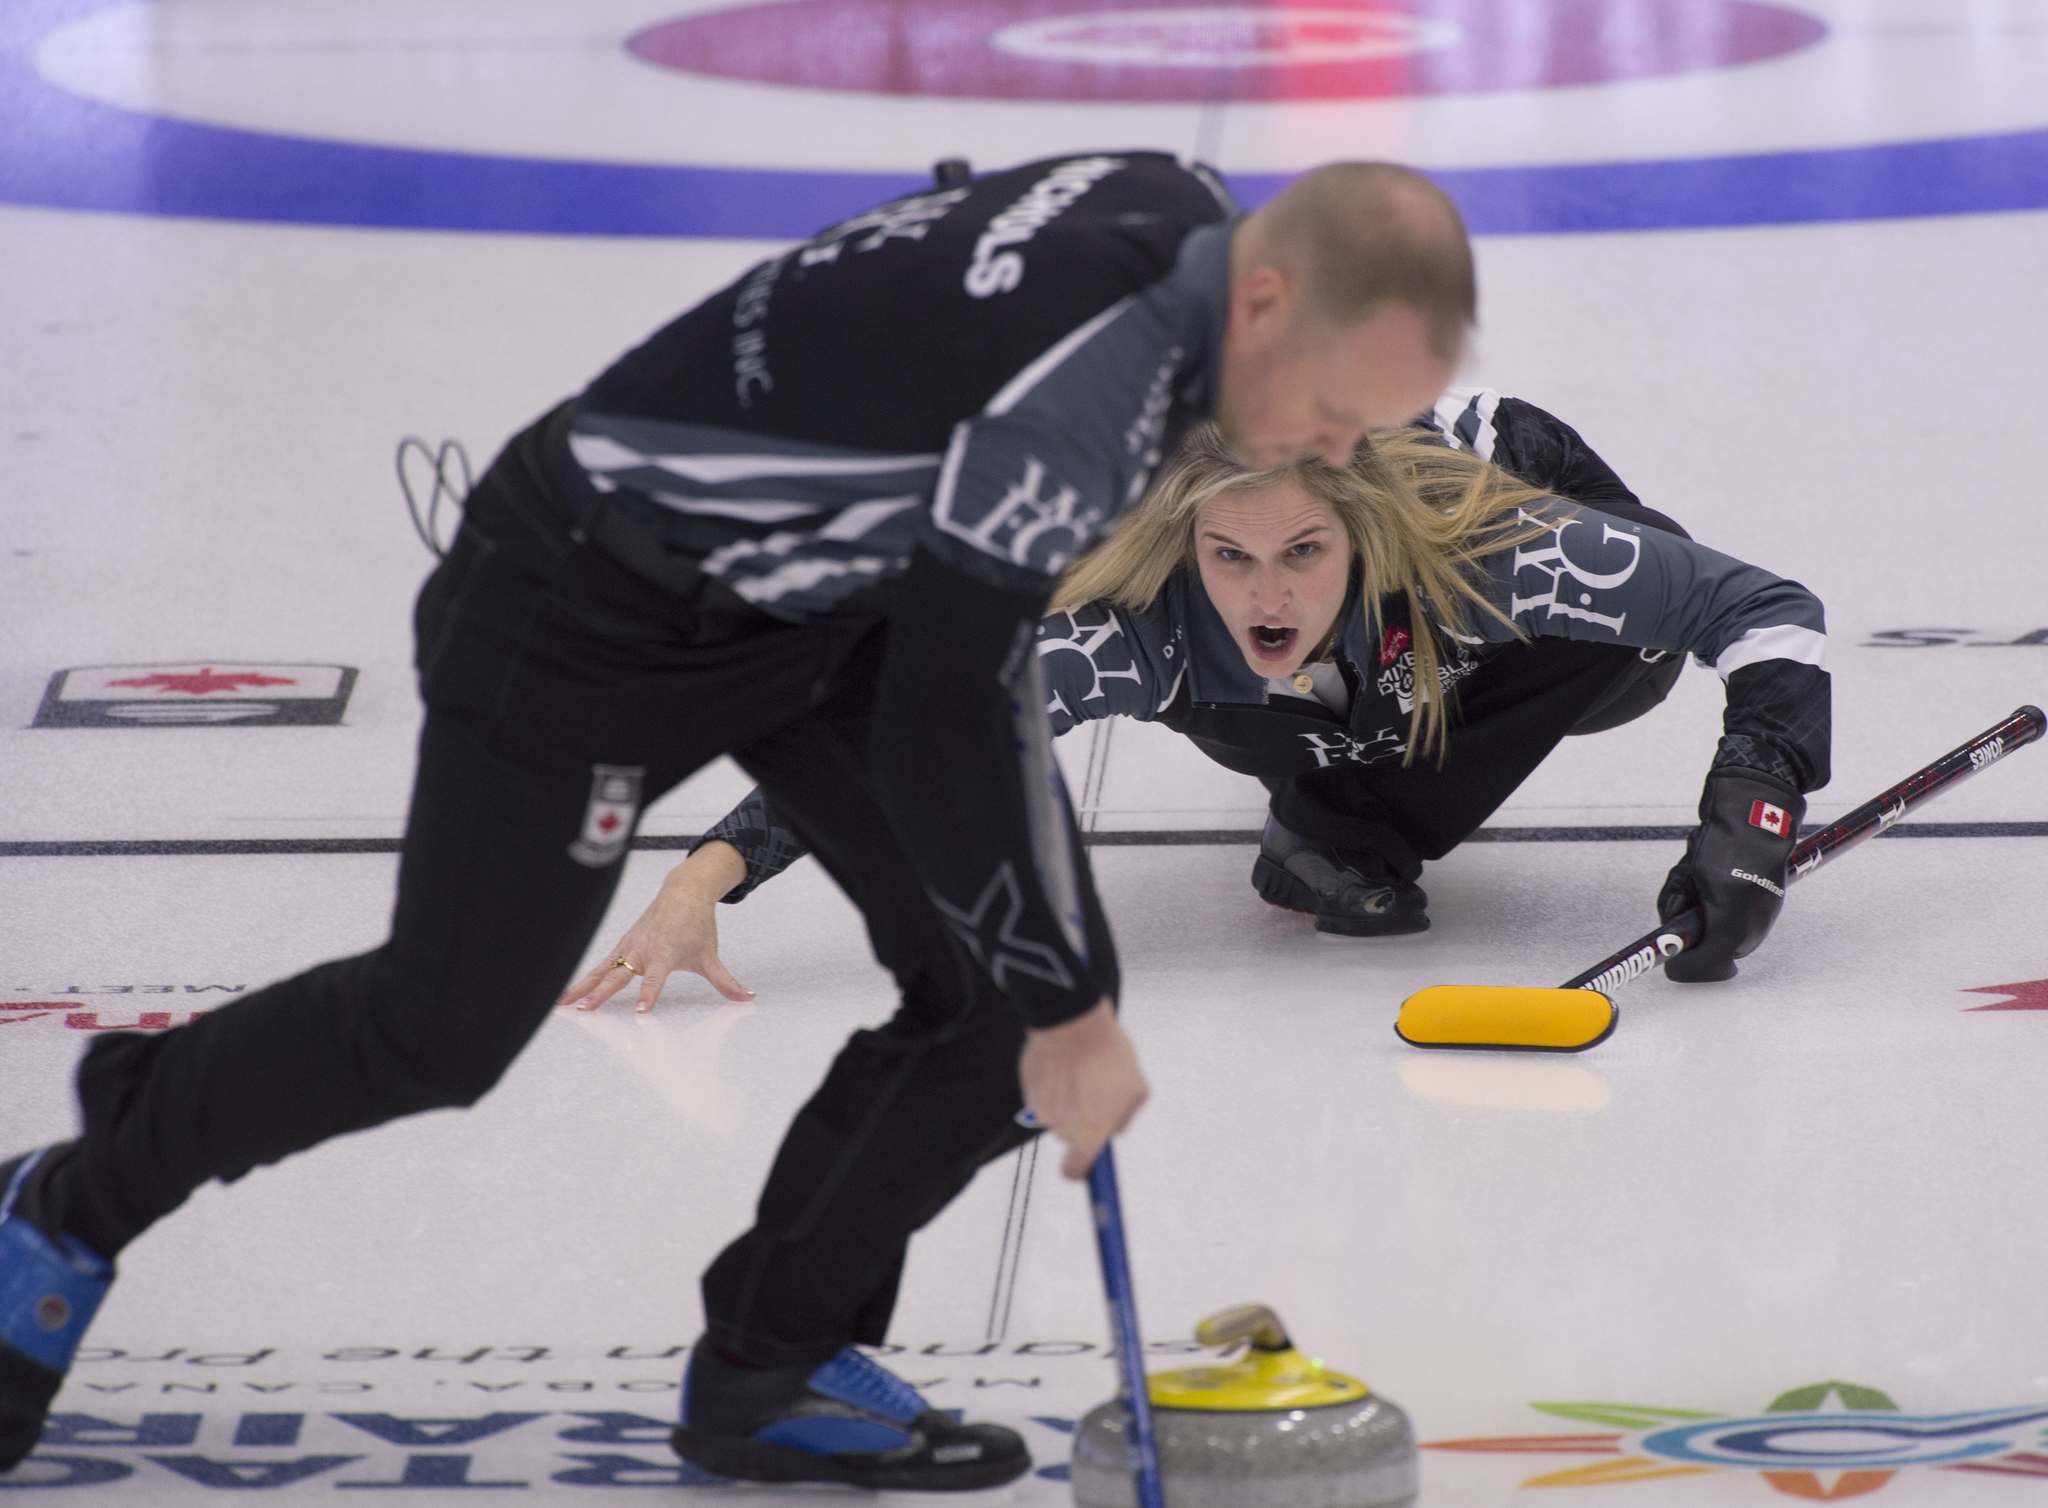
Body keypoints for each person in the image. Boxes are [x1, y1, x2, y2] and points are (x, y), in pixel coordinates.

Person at [0, 152, 1476, 1491]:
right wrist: (1078, 1005)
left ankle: (767, 1368)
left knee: (989, 1001)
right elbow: (953, 716)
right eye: (1338, 411)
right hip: (585, 599)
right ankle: (78, 1193)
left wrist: (1054, 994)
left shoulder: (1190, 219)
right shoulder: (1081, 382)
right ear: (1266, 297)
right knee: (440, 1028)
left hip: (818, 595)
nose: (1338, 454)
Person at [563, 388, 1829, 1016]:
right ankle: (1334, 822)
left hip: (1498, 530)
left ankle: (1351, 796)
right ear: (1186, 545)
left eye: (1302, 554)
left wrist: (1753, 796)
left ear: (1363, 532)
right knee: (1285, 699)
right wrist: (702, 878)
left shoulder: (1482, 552)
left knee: (1641, 622)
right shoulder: (1138, 625)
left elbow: (1762, 603)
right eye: (1230, 556)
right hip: (1329, 701)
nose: (1266, 594)